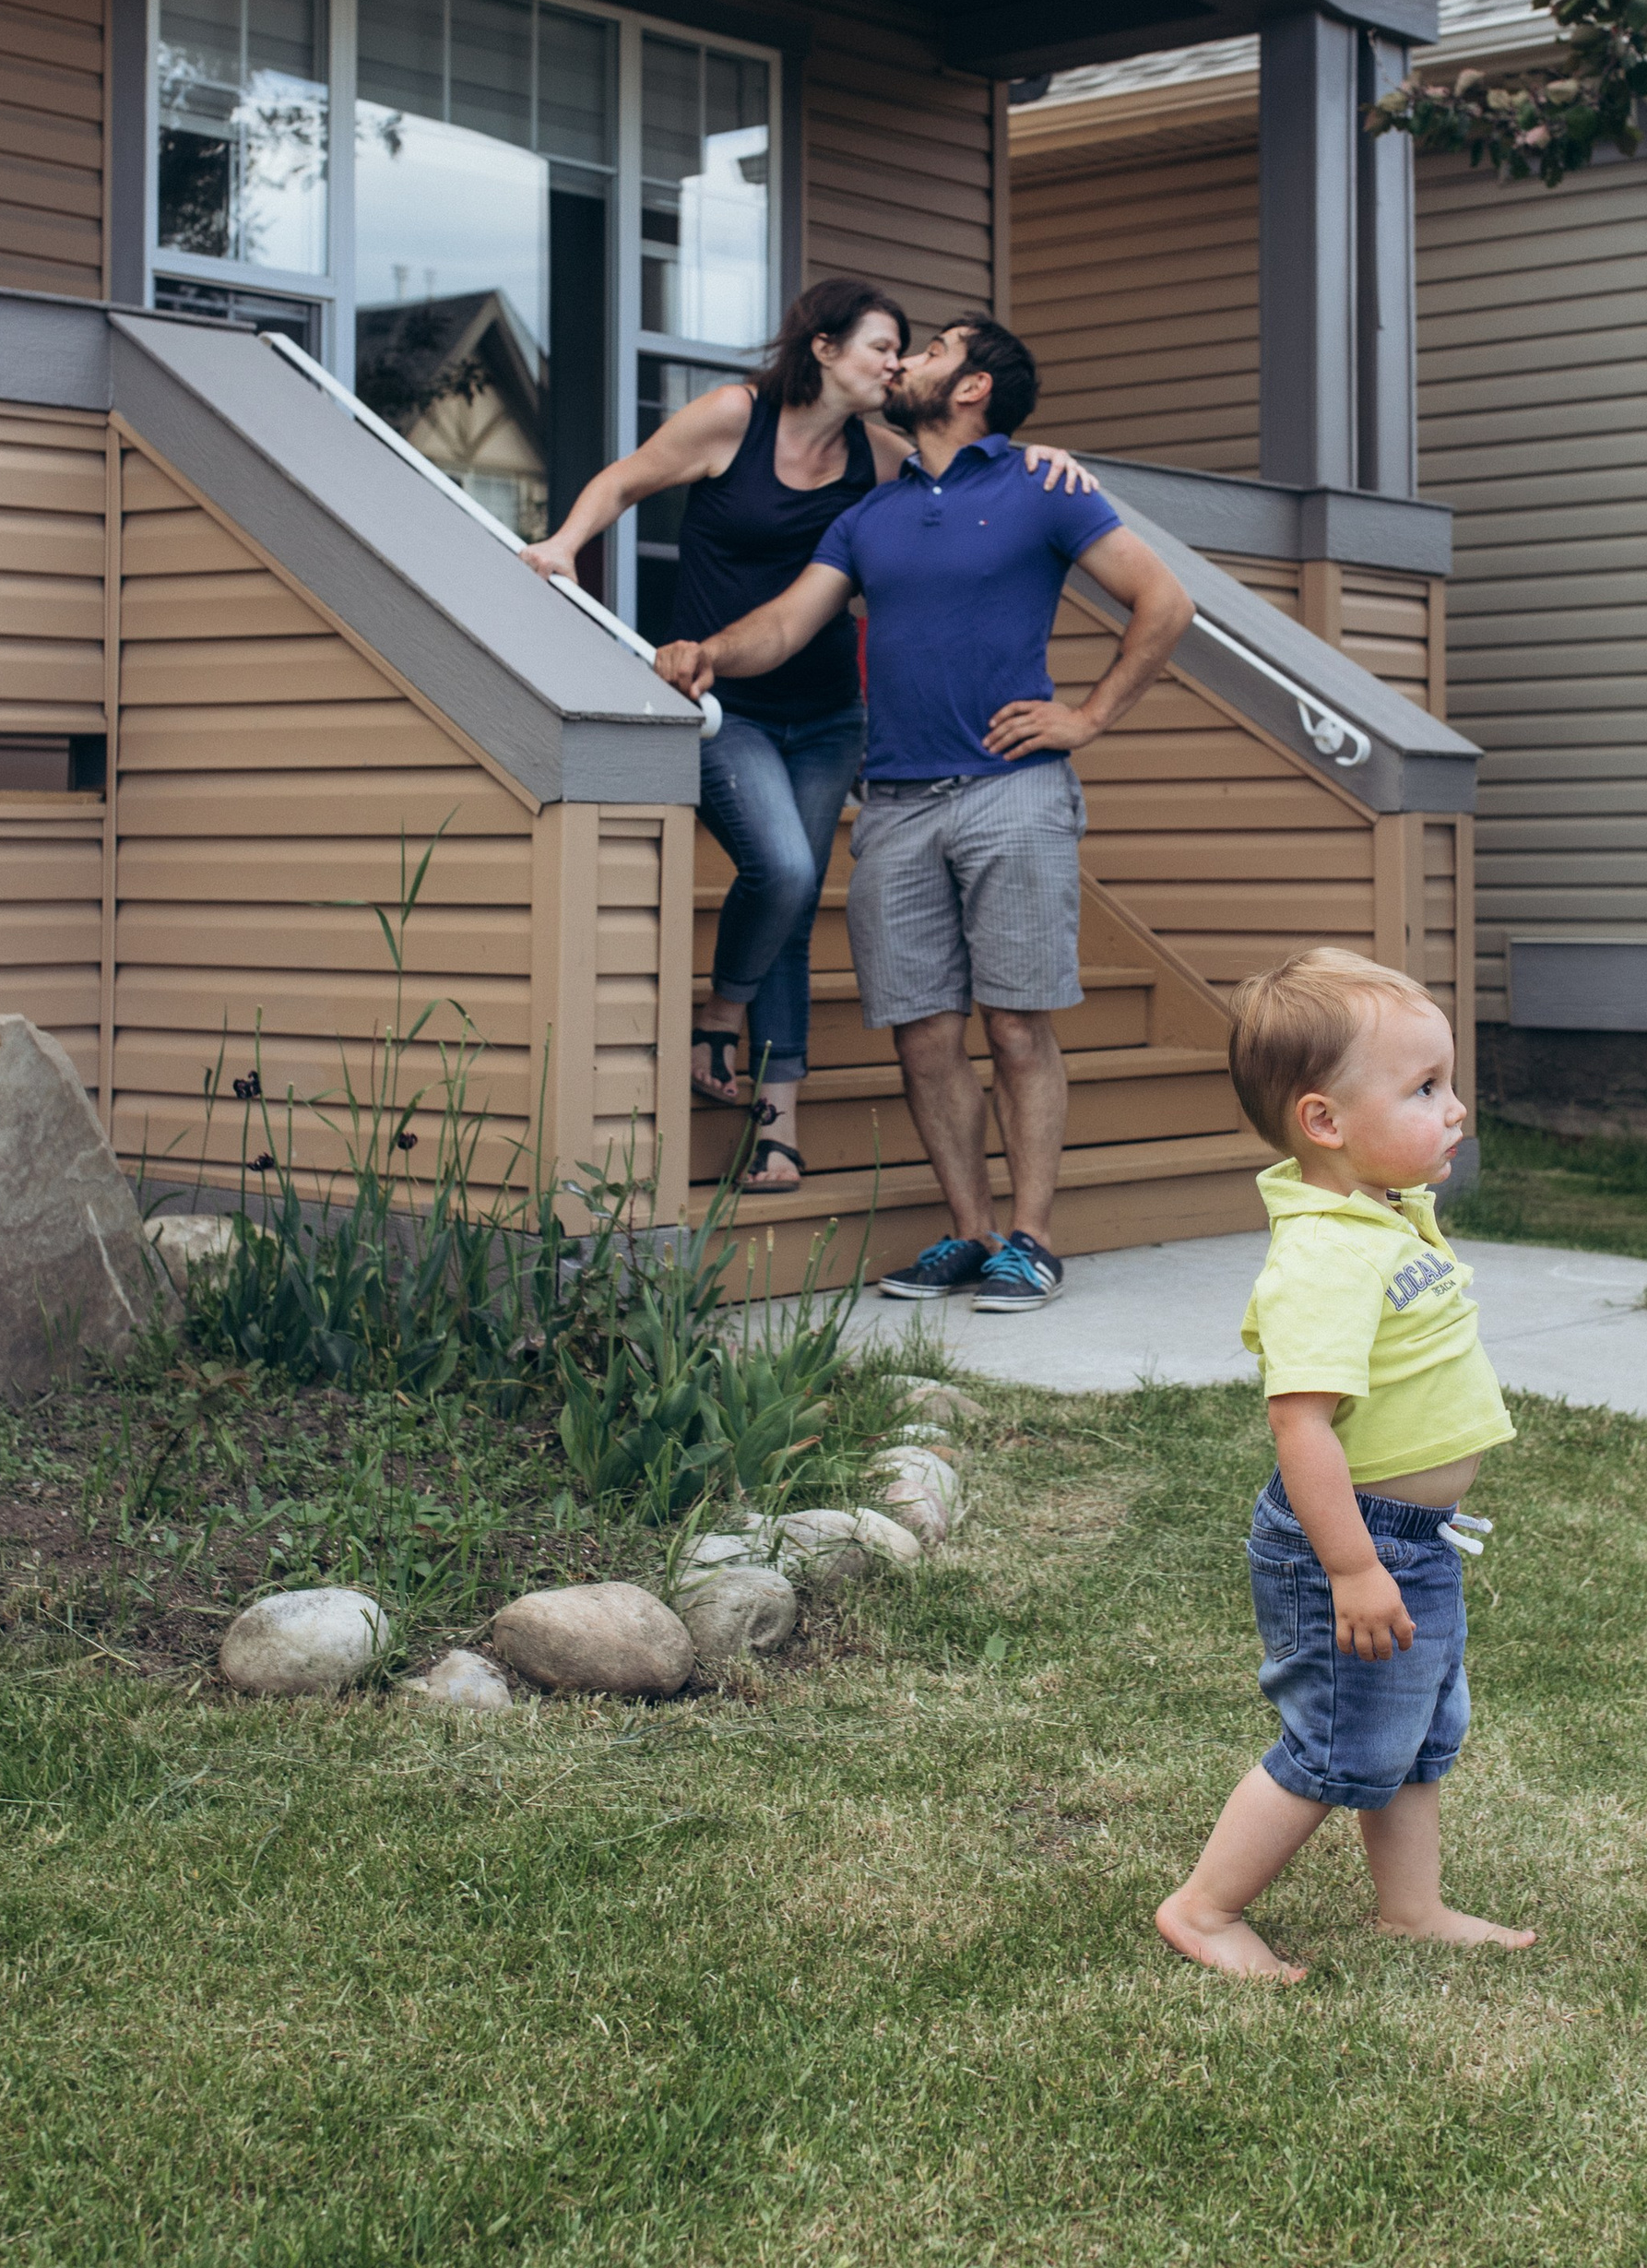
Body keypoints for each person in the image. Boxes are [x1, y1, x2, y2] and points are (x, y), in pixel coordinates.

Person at [655, 314, 1193, 1304]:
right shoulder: (869, 514)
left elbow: (1164, 603)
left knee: (1017, 1024)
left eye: (935, 348)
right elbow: (785, 622)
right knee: (922, 1033)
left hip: (1011, 794)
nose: (907, 360)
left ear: (975, 385)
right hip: (894, 805)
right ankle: (967, 1233)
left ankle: (1030, 1239)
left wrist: (1087, 716)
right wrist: (709, 654)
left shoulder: (1041, 487)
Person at [526, 281, 1096, 1192]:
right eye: (881, 346)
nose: (896, 361)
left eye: (910, 350)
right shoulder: (733, 418)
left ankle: (777, 1132)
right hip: (726, 703)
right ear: (824, 348)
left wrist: (1044, 456)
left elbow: (973, 454)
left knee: (790, 907)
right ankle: (721, 1014)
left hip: (830, 709)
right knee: (786, 871)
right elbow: (629, 477)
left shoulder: (878, 454)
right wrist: (564, 543)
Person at [1155, 946, 1534, 1978]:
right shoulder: (1322, 1255)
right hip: (1355, 1543)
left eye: (1447, 1081)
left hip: (1417, 1540)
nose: (1454, 1107)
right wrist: (1354, 1567)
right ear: (1325, 1122)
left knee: (1416, 1733)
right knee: (1335, 1745)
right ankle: (1204, 1908)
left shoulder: (1378, 1209)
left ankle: (1409, 1907)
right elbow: (1302, 1427)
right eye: (1424, 1088)